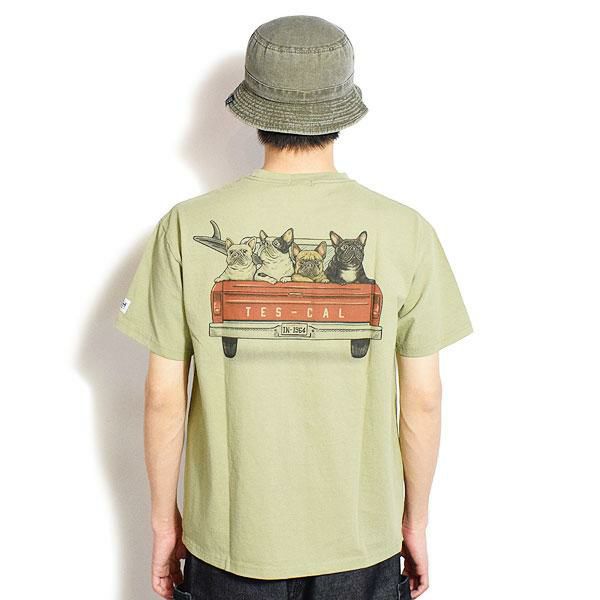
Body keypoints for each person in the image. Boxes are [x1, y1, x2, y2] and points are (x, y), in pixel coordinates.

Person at [114, 15, 473, 600]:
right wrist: (416, 522)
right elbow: (424, 400)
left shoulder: (182, 226)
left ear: (253, 112)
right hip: (362, 544)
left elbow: (162, 397)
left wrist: (162, 524)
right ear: (341, 113)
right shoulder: (407, 231)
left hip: (229, 544)